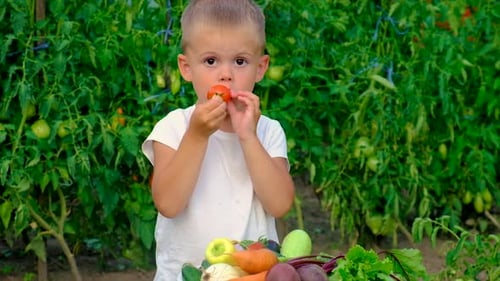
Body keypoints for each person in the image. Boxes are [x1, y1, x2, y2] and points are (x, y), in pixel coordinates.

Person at [141, 0, 295, 279]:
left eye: (240, 61)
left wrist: (248, 136)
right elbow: (168, 203)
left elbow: (280, 204)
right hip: (183, 275)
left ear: (260, 68)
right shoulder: (174, 128)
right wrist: (197, 136)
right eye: (211, 61)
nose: (226, 74)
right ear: (186, 68)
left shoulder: (267, 131)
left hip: (251, 275)